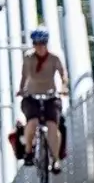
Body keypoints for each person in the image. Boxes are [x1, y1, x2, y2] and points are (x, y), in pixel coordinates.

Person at [17, 27, 69, 173]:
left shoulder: (54, 58)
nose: (39, 47)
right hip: (32, 97)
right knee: (32, 122)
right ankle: (28, 151)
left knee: (52, 125)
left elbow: (63, 74)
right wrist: (21, 90)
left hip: (50, 96)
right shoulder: (28, 57)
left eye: (42, 43)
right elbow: (24, 76)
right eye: (36, 43)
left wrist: (64, 87)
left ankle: (56, 159)